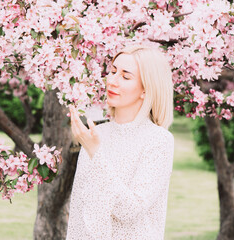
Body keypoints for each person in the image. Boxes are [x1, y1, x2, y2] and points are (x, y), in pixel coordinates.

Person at [66, 45, 174, 240]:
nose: (112, 81)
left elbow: (129, 211)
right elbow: (80, 213)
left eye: (125, 76)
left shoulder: (159, 141)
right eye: (113, 71)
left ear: (145, 89)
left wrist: (95, 153)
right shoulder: (96, 135)